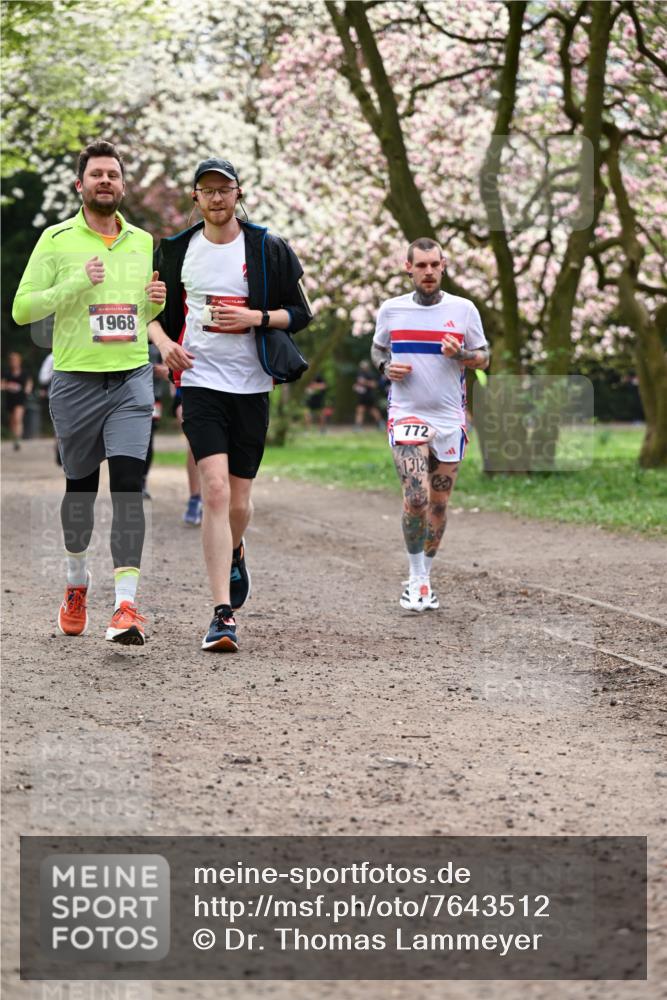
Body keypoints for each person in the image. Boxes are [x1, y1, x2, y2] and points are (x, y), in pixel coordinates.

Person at [149, 157, 312, 652]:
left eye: (225, 189)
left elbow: (300, 313)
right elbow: (149, 312)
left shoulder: (266, 247)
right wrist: (164, 344)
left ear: (238, 194)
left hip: (251, 385)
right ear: (195, 197)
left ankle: (236, 549)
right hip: (199, 382)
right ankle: (223, 615)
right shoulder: (176, 250)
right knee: (215, 492)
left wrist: (253, 318)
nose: (216, 198)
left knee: (239, 503)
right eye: (207, 190)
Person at [12, 140, 166, 644]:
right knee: (80, 488)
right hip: (76, 381)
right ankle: (76, 583)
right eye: (97, 174)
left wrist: (154, 303)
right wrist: (75, 283)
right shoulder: (55, 239)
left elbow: (137, 316)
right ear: (80, 185)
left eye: (113, 175)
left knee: (128, 486)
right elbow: (22, 309)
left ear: (122, 186)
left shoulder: (141, 242)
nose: (105, 181)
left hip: (131, 378)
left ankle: (125, 606)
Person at [371, 237, 489, 612]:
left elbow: (484, 358)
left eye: (434, 265)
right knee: (417, 498)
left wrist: (462, 354)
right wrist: (385, 367)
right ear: (408, 267)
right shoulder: (392, 310)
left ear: (443, 266)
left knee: (438, 505)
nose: (428, 272)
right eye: (421, 265)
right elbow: (378, 348)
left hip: (450, 417)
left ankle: (426, 576)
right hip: (407, 413)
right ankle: (415, 578)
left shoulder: (464, 309)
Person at [1, 351, 33, 449]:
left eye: (15, 360)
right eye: (12, 361)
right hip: (10, 399)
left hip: (20, 399)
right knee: (12, 421)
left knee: (18, 418)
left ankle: (17, 440)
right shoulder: (7, 373)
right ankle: (15, 437)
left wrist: (27, 390)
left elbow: (29, 384)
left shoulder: (24, 373)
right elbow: (1, 385)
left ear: (19, 361)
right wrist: (8, 386)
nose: (13, 362)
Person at [353, 360, 384, 429]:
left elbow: (374, 385)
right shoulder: (359, 374)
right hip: (362, 396)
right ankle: (358, 426)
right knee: (360, 410)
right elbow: (357, 384)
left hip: (369, 395)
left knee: (373, 410)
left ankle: (381, 423)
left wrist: (365, 382)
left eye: (364, 367)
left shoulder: (371, 374)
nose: (363, 368)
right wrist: (356, 386)